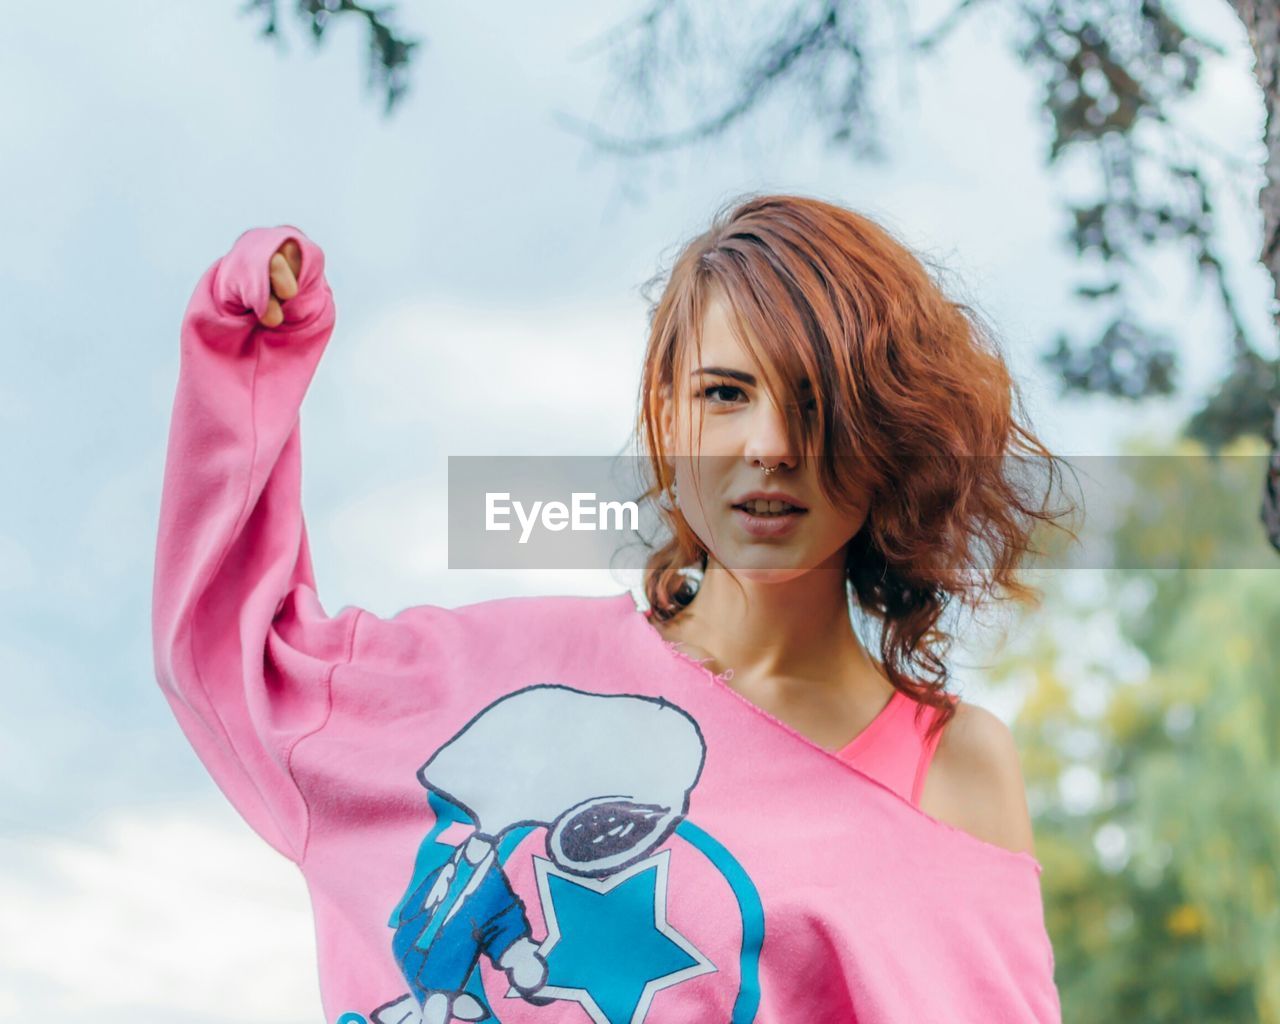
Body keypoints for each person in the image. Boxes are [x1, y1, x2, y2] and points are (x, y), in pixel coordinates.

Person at [152, 194, 1071, 1024]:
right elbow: (232, 651)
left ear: (889, 431)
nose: (771, 446)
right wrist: (250, 357)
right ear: (666, 415)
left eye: (817, 402)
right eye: (725, 393)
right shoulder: (500, 678)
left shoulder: (947, 770)